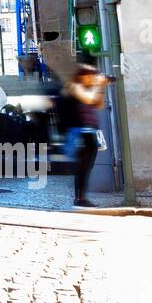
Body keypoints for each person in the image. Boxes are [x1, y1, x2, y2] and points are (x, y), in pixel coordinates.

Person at [55, 64, 109, 207]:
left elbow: (98, 104)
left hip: (90, 133)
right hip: (79, 134)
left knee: (87, 167)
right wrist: (97, 85)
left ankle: (82, 197)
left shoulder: (87, 89)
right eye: (90, 76)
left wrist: (100, 87)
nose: (93, 78)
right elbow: (88, 100)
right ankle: (79, 198)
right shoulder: (74, 87)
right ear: (82, 76)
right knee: (82, 167)